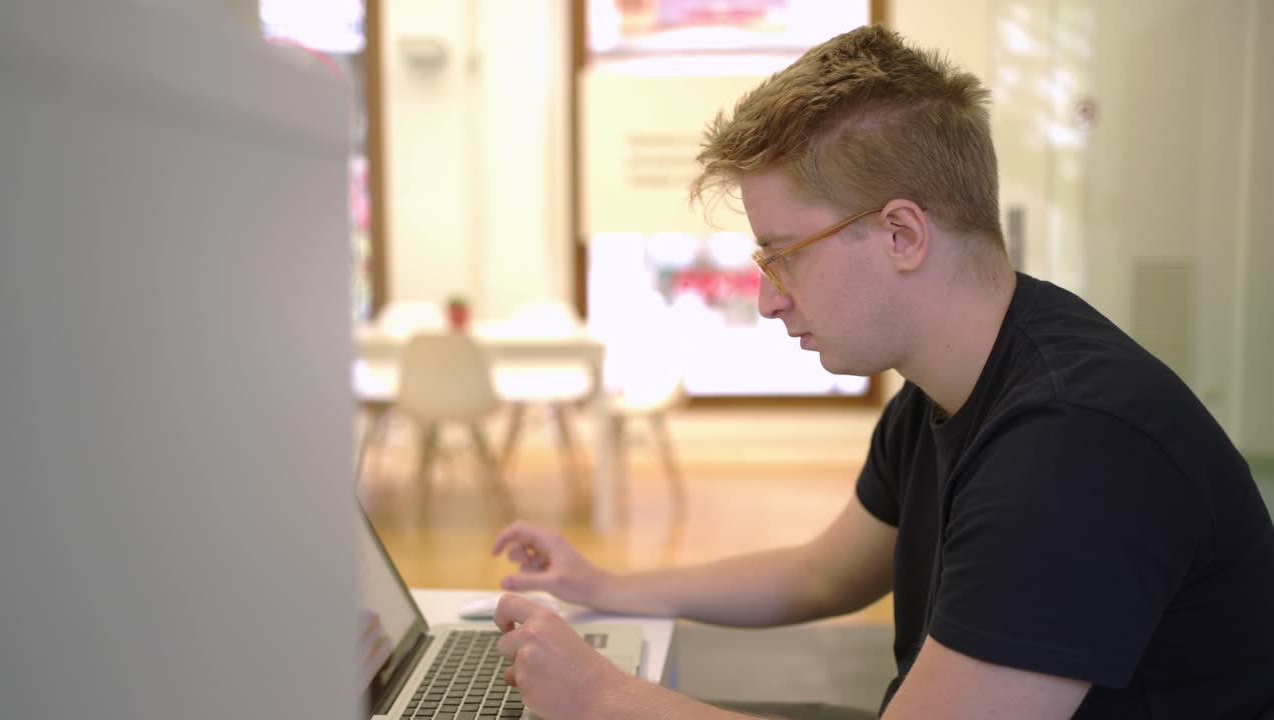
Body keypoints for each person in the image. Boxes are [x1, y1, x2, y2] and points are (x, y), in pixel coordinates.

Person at [489, 25, 1274, 720]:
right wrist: (605, 587)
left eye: (784, 255)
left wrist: (604, 699)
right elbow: (817, 576)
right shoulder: (949, 384)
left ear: (901, 233)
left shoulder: (1071, 450)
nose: (767, 299)